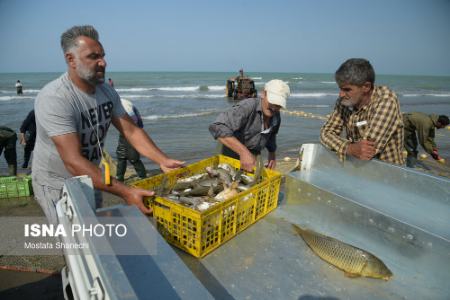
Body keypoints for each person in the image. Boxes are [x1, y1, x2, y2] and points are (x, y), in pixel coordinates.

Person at [32, 25, 184, 225]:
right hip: (58, 183)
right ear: (71, 59)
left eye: (102, 56)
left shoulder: (106, 91)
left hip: (92, 175)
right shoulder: (55, 98)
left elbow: (131, 130)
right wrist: (126, 191)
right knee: (72, 242)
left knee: (93, 229)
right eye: (93, 57)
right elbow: (73, 161)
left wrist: (162, 160)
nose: (103, 62)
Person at [320, 58, 404, 165]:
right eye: (340, 89)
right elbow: (325, 133)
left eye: (347, 89)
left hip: (388, 173)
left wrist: (347, 148)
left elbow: (368, 149)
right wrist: (349, 148)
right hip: (358, 169)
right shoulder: (345, 101)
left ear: (366, 87)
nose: (340, 94)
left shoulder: (386, 100)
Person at [209, 79, 290, 172]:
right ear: (264, 94)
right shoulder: (247, 106)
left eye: (278, 104)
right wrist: (243, 153)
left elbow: (271, 135)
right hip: (230, 154)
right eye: (272, 102)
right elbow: (217, 127)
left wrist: (272, 154)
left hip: (254, 155)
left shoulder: (276, 116)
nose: (274, 107)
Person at [116, 99, 147, 181]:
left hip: (133, 130)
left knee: (133, 157)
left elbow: (135, 121)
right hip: (124, 130)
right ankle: (119, 177)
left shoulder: (124, 105)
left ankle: (142, 176)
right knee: (121, 155)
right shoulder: (118, 102)